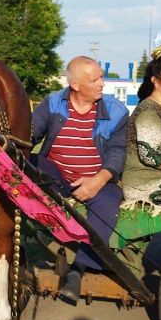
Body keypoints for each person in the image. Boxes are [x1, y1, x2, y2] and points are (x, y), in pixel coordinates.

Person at [31, 56, 128, 271]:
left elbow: (118, 150)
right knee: (27, 161)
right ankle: (38, 234)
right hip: (56, 177)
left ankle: (81, 268)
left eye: (101, 78)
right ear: (75, 84)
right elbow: (30, 135)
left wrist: (98, 180)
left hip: (96, 180)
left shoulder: (116, 111)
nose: (102, 83)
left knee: (109, 201)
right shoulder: (53, 103)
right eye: (95, 80)